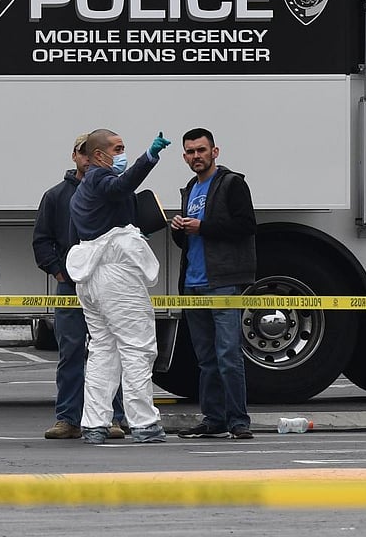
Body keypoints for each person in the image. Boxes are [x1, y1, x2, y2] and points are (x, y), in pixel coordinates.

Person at [66, 128, 171, 444]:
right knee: (138, 347)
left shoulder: (83, 189)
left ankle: (94, 423)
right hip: (116, 275)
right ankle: (144, 423)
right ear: (99, 155)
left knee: (103, 350)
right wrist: (149, 157)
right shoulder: (100, 179)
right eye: (118, 148)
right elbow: (123, 184)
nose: (122, 153)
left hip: (90, 276)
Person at [33, 134, 128, 440]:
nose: (88, 158)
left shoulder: (113, 192)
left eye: (93, 153)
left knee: (109, 351)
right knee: (70, 351)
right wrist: (60, 272)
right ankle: (68, 418)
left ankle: (113, 417)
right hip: (71, 287)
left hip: (107, 285)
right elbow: (42, 240)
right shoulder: (56, 196)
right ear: (75, 156)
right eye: (83, 153)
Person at [170, 127, 257, 440]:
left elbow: (246, 225)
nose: (196, 156)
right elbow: (186, 242)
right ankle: (213, 419)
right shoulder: (190, 188)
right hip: (193, 283)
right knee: (206, 359)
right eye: (191, 152)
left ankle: (238, 421)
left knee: (228, 356)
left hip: (222, 283)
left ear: (215, 152)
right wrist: (179, 228)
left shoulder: (232, 184)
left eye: (201, 150)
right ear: (184, 156)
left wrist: (202, 226)